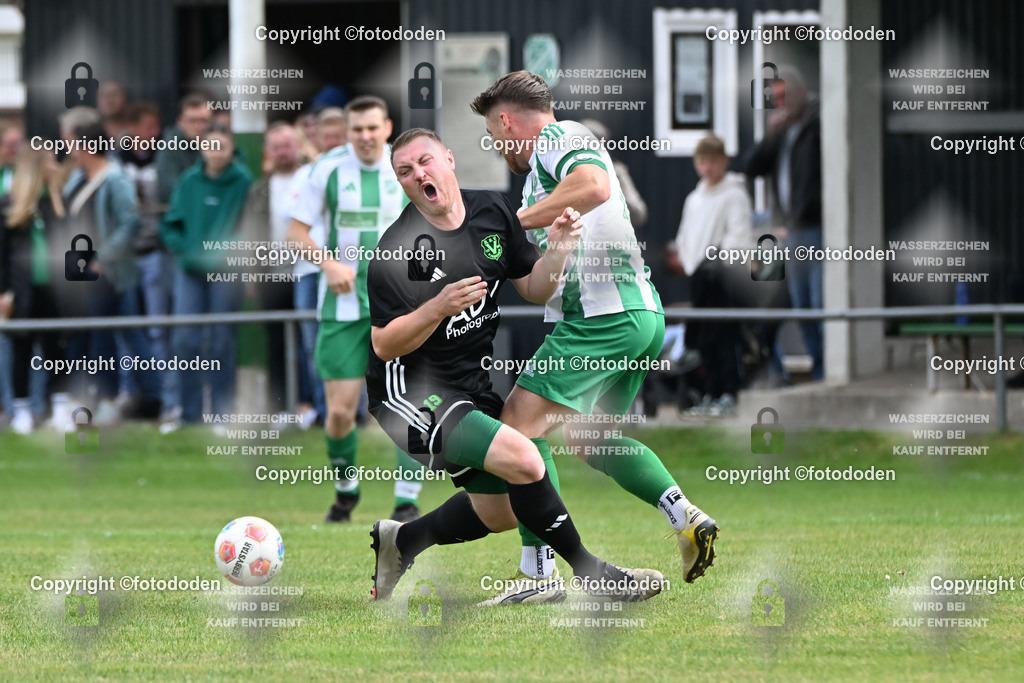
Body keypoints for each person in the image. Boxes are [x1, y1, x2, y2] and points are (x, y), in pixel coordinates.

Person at [368, 128, 664, 603]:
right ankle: (592, 574)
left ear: (449, 159)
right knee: (526, 457)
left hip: (469, 384)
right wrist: (437, 307)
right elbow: (383, 345)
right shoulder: (400, 246)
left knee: (504, 510)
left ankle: (401, 541)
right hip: (411, 394)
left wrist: (560, 248)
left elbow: (535, 288)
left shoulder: (492, 212)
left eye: (425, 161)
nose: (418, 174)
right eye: (405, 171)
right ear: (400, 182)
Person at [471, 71, 718, 603]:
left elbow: (595, 186)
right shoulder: (541, 175)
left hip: (602, 321)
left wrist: (509, 224)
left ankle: (538, 576)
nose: (497, 146)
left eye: (494, 134)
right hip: (636, 318)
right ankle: (686, 517)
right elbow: (540, 287)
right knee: (591, 441)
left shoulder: (560, 139)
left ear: (507, 120)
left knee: (518, 424)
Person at [286, 96, 426, 523]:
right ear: (346, 132)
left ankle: (407, 501)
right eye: (356, 129)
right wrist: (327, 263)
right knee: (342, 412)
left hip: (401, 305)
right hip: (343, 308)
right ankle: (346, 491)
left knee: (413, 403)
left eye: (372, 128)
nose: (365, 136)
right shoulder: (325, 170)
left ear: (387, 127)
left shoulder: (408, 166)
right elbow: (296, 233)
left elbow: (439, 223)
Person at [60, 107, 159, 422]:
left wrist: (103, 259)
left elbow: (130, 222)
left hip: (110, 274)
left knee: (120, 336)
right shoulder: (75, 178)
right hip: (79, 275)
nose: (66, 146)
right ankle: (94, 399)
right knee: (87, 337)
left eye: (69, 140)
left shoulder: (115, 177)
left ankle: (146, 398)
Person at [159, 124, 252, 429]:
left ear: (230, 149)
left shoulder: (243, 181)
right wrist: (185, 250)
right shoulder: (188, 181)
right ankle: (188, 413)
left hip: (228, 274)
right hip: (191, 272)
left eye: (222, 147)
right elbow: (171, 224)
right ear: (201, 147)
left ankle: (222, 414)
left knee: (222, 341)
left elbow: (250, 227)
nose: (216, 152)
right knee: (185, 339)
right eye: (210, 146)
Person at [744, 66, 823, 381]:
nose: (781, 104)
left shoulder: (817, 124)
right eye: (775, 99)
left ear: (801, 93)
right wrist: (771, 135)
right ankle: (815, 371)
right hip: (787, 233)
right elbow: (752, 167)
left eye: (785, 96)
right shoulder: (783, 132)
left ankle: (827, 372)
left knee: (818, 305)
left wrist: (802, 215)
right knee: (801, 306)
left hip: (815, 228)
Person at [674, 135, 753, 416]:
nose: (707, 168)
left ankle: (729, 393)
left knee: (725, 335)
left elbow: (739, 237)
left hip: (725, 277)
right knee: (703, 338)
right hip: (699, 278)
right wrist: (689, 261)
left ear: (724, 162)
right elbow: (684, 236)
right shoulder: (694, 199)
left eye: (712, 162)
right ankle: (710, 392)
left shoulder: (735, 195)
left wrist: (716, 259)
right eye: (702, 162)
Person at [288, 108, 348, 428]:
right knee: (314, 344)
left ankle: (358, 414)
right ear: (318, 138)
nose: (334, 144)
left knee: (356, 341)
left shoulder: (366, 175)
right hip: (310, 271)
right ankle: (326, 413)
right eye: (328, 138)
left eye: (340, 137)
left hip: (352, 270)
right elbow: (294, 227)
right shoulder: (307, 175)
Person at [0, 148, 67, 433]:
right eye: (51, 162)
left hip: (53, 289)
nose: (55, 166)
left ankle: (59, 406)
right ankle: (22, 409)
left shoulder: (55, 203)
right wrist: (3, 292)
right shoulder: (8, 205)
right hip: (20, 290)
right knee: (21, 348)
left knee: (57, 348)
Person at [242, 122, 303, 416]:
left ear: (297, 147)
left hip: (307, 273)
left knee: (307, 341)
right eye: (276, 146)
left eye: (287, 145)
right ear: (268, 151)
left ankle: (308, 405)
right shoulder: (259, 189)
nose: (282, 152)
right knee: (276, 344)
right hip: (270, 276)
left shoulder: (310, 180)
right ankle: (280, 409)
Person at [120, 102, 173, 417]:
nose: (155, 134)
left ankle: (162, 395)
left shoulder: (164, 158)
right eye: (149, 127)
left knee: (157, 328)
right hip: (127, 254)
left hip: (155, 249)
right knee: (127, 328)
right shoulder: (116, 160)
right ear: (134, 128)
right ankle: (130, 393)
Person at [155, 93, 212, 205]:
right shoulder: (170, 148)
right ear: (180, 122)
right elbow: (170, 190)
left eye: (204, 121)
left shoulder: (220, 144)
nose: (199, 126)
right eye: (192, 121)